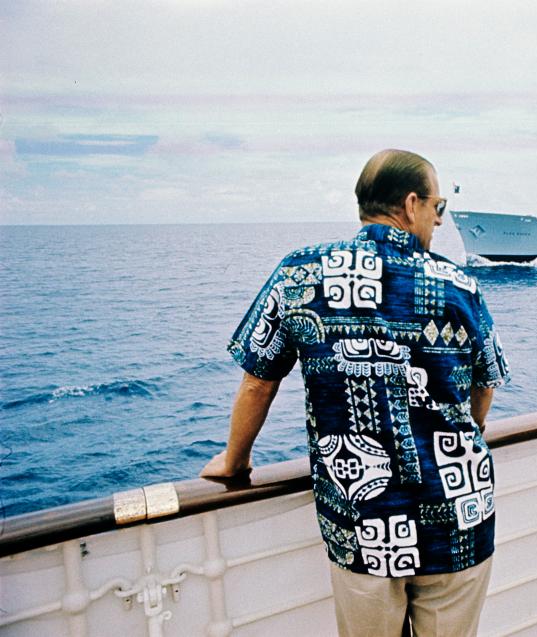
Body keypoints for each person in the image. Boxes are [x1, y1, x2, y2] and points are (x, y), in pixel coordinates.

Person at [200, 149, 510, 637]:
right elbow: (485, 381)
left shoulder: (299, 275)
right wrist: (466, 432)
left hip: (363, 521)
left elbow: (258, 380)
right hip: (458, 515)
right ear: (411, 205)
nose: (439, 219)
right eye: (438, 207)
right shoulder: (459, 284)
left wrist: (235, 461)